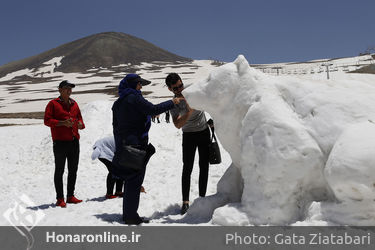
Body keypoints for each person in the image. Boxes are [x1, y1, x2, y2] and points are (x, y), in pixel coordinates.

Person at [112, 73, 182, 225]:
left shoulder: (117, 103)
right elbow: (153, 109)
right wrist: (173, 102)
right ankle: (131, 216)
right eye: (139, 84)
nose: (141, 87)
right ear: (133, 85)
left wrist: (120, 147)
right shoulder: (134, 98)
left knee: (130, 181)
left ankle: (128, 213)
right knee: (135, 181)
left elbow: (115, 128)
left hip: (125, 145)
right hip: (136, 145)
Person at [165, 73, 211, 215]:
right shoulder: (174, 103)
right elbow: (178, 124)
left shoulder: (192, 90)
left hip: (204, 132)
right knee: (187, 168)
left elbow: (210, 99)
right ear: (170, 89)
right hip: (189, 136)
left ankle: (202, 198)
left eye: (180, 85)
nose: (179, 89)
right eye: (175, 88)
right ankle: (185, 202)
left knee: (204, 166)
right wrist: (189, 111)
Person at [44, 80, 85, 208]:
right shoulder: (53, 104)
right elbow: (47, 120)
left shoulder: (74, 104)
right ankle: (60, 198)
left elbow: (80, 120)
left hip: (74, 142)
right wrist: (62, 123)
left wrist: (80, 125)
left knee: (73, 170)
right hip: (60, 143)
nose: (69, 91)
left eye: (70, 88)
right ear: (60, 90)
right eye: (66, 88)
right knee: (60, 170)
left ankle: (70, 196)